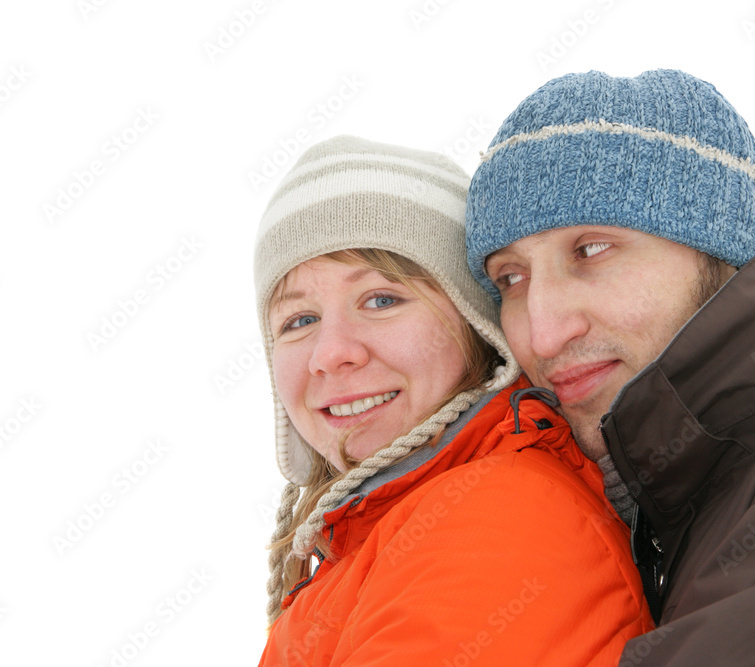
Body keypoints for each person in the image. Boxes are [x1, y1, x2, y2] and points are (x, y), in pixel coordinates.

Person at [466, 69, 755, 665]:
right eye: (510, 279)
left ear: (721, 250)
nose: (544, 335)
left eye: (591, 250)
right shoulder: (647, 498)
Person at [254, 135, 653, 665]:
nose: (330, 354)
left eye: (381, 299)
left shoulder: (500, 519)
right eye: (299, 320)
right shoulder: (377, 533)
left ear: (476, 327)